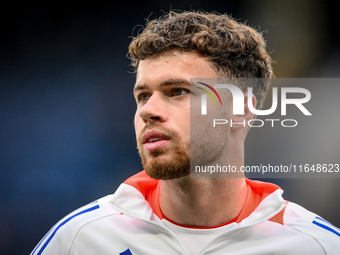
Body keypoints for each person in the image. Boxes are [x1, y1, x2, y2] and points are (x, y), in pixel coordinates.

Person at [31, 10, 340, 255]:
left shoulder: (316, 246)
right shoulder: (79, 239)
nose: (147, 111)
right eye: (143, 95)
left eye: (176, 91)